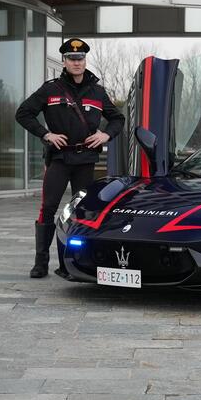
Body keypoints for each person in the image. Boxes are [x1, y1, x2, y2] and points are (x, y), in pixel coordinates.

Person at [16, 38, 125, 279]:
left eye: (81, 58)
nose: (77, 63)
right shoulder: (50, 89)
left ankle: (77, 263)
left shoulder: (97, 91)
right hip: (59, 160)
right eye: (72, 59)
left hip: (85, 160)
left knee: (83, 212)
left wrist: (106, 134)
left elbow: (118, 118)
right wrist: (46, 134)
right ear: (64, 61)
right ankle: (41, 263)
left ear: (85, 60)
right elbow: (23, 113)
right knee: (48, 209)